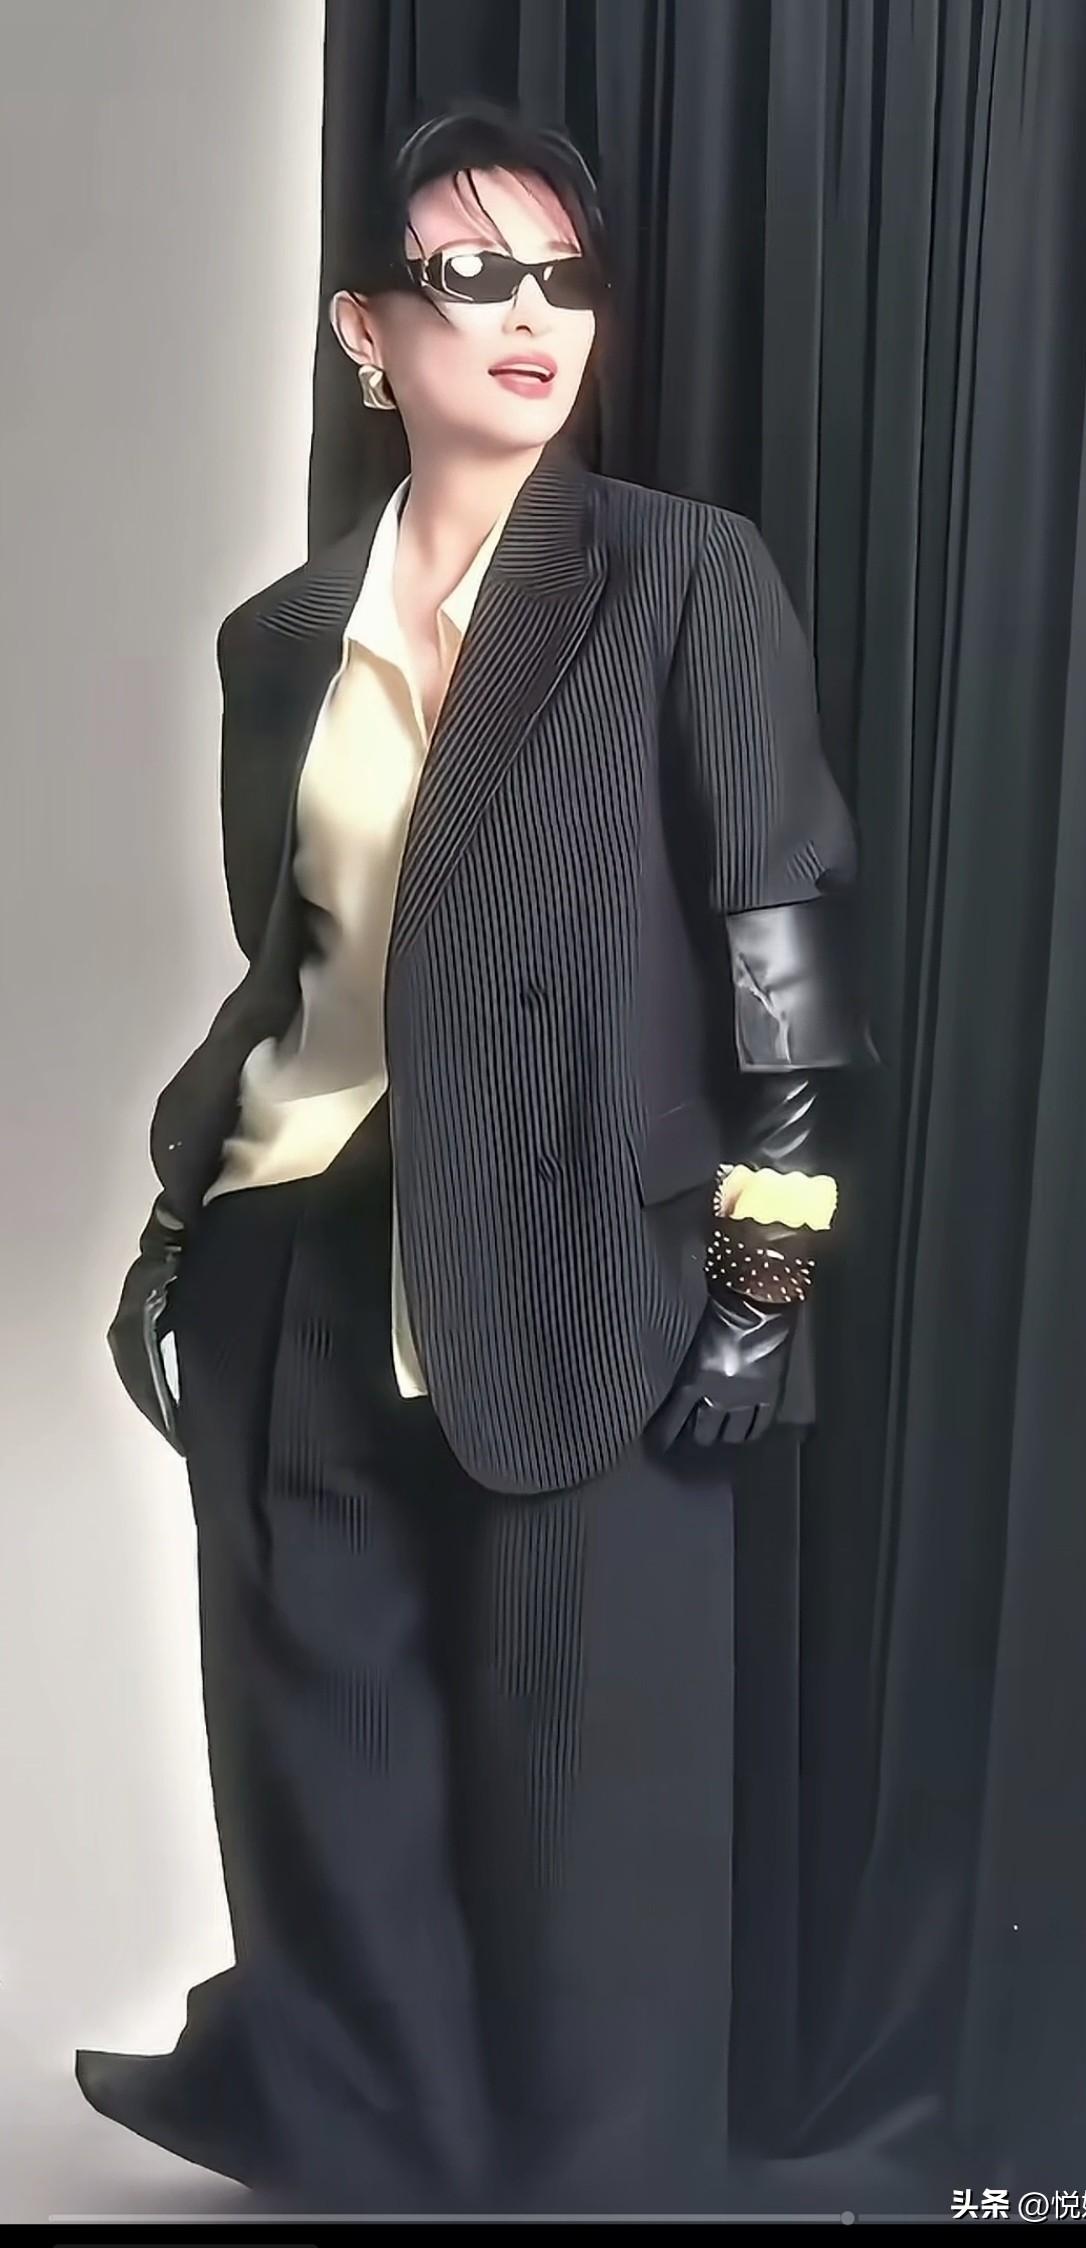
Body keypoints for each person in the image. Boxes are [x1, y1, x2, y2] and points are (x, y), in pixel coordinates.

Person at [76, 99, 877, 2216]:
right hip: (289, 1259)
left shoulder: (679, 576)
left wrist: (760, 1287)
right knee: (320, 1775)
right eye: (472, 273)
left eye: (564, 276)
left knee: (588, 1804)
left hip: (580, 1268)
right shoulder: (279, 638)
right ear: (368, 329)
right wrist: (177, 1233)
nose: (533, 316)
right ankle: (371, 2154)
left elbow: (787, 972)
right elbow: (298, 972)